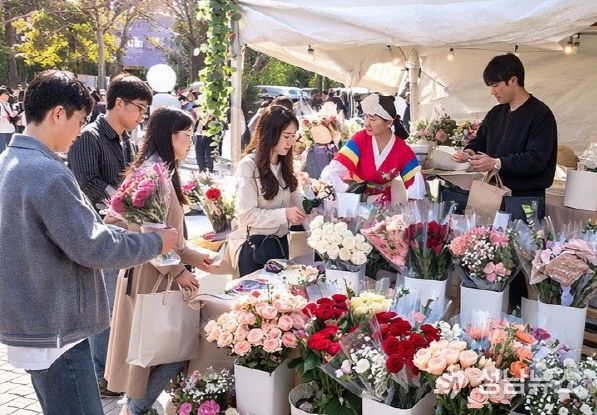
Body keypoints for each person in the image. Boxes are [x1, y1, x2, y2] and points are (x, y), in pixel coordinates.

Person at [0, 69, 178, 415]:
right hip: (58, 331)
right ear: (58, 113)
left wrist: (108, 227)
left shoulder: (11, 162)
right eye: (80, 120)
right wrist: (156, 243)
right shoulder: (46, 172)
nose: (79, 131)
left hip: (33, 324)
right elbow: (92, 247)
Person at [104, 106, 218, 415]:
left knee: (162, 349)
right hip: (151, 277)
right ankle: (135, 408)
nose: (191, 142)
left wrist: (195, 257)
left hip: (154, 274)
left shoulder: (160, 171)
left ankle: (136, 406)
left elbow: (167, 235)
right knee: (166, 349)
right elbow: (150, 233)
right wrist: (179, 271)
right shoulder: (152, 175)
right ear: (169, 136)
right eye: (187, 135)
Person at [67, 73, 153, 397]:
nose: (142, 115)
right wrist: (123, 203)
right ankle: (100, 374)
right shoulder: (88, 137)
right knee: (104, 306)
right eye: (140, 108)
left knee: (118, 304)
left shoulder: (126, 140)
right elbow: (86, 183)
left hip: (123, 234)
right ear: (119, 103)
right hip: (98, 235)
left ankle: (113, 370)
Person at [452, 53, 557, 220]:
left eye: (496, 85)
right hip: (493, 192)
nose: (492, 92)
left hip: (525, 198)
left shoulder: (540, 114)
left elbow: (536, 159)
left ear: (513, 80)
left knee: (521, 237)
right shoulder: (496, 112)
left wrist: (497, 163)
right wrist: (469, 152)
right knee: (486, 235)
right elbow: (480, 141)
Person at [234, 105, 306, 276]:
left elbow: (295, 195)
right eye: (286, 136)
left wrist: (314, 204)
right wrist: (284, 214)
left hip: (281, 247)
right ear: (270, 133)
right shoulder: (248, 166)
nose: (291, 142)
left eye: (294, 136)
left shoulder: (286, 165)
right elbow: (246, 214)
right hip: (257, 250)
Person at [321, 93, 425, 202]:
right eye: (366, 117)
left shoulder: (403, 150)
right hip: (357, 200)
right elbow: (333, 171)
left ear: (389, 122)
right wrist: (348, 192)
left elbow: (416, 185)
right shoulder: (359, 140)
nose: (366, 123)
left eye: (373, 119)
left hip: (386, 204)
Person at [0, 86, 17, 153]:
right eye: (5, 94)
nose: (7, 96)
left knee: (10, 149)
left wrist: (15, 113)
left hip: (10, 128)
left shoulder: (8, 104)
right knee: (2, 150)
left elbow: (11, 114)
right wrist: (3, 117)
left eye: (7, 94)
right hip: (2, 130)